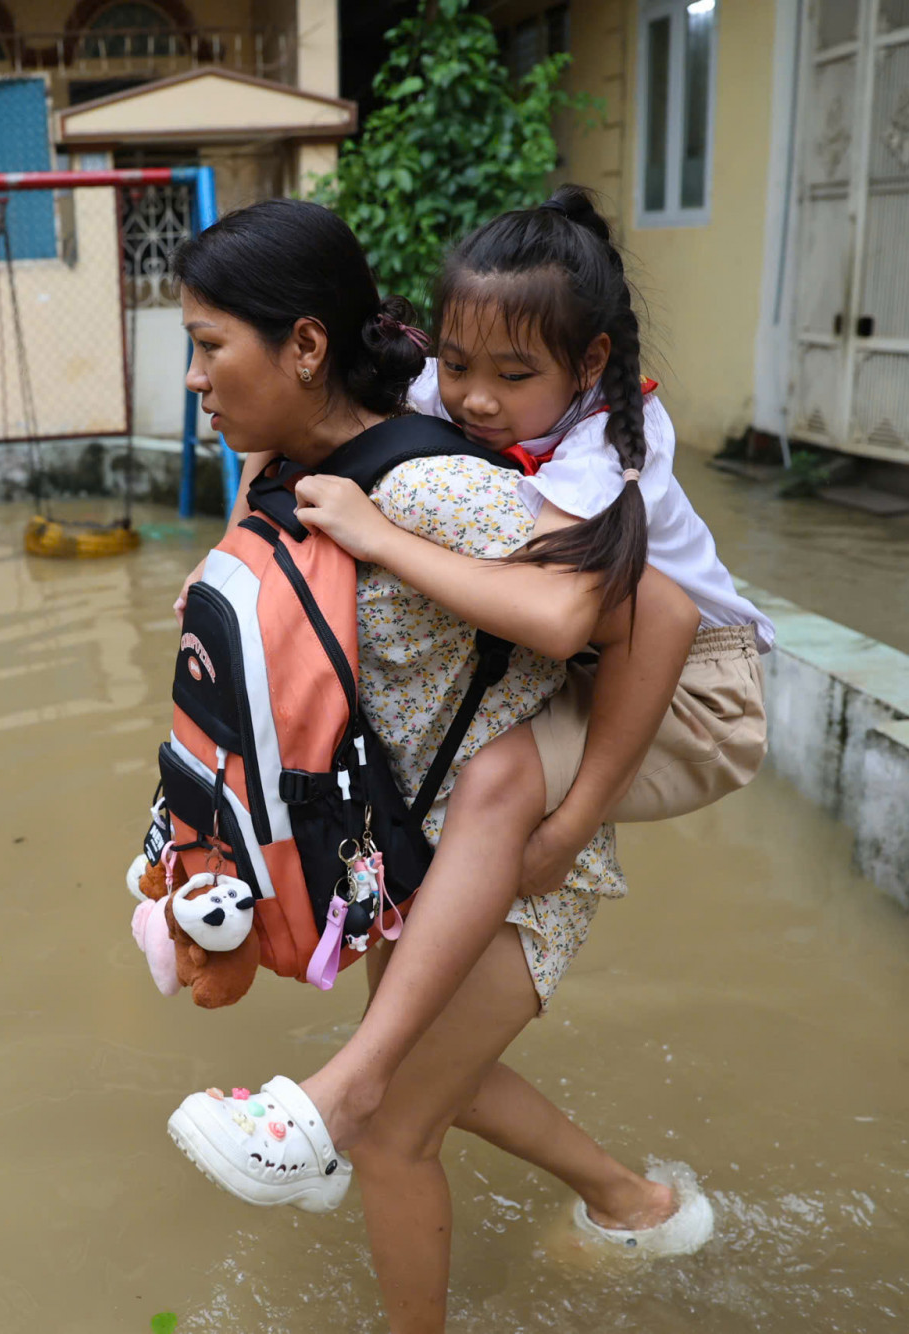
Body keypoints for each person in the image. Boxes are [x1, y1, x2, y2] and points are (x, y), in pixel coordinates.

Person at [159, 198, 713, 1332]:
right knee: (433, 1086)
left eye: (209, 348)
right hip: (414, 849)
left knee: (391, 1120)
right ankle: (636, 1202)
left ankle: (379, 1188)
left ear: (304, 346)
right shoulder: (300, 465)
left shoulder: (427, 490)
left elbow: (647, 609)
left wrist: (571, 825)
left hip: (510, 856)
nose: (194, 378)